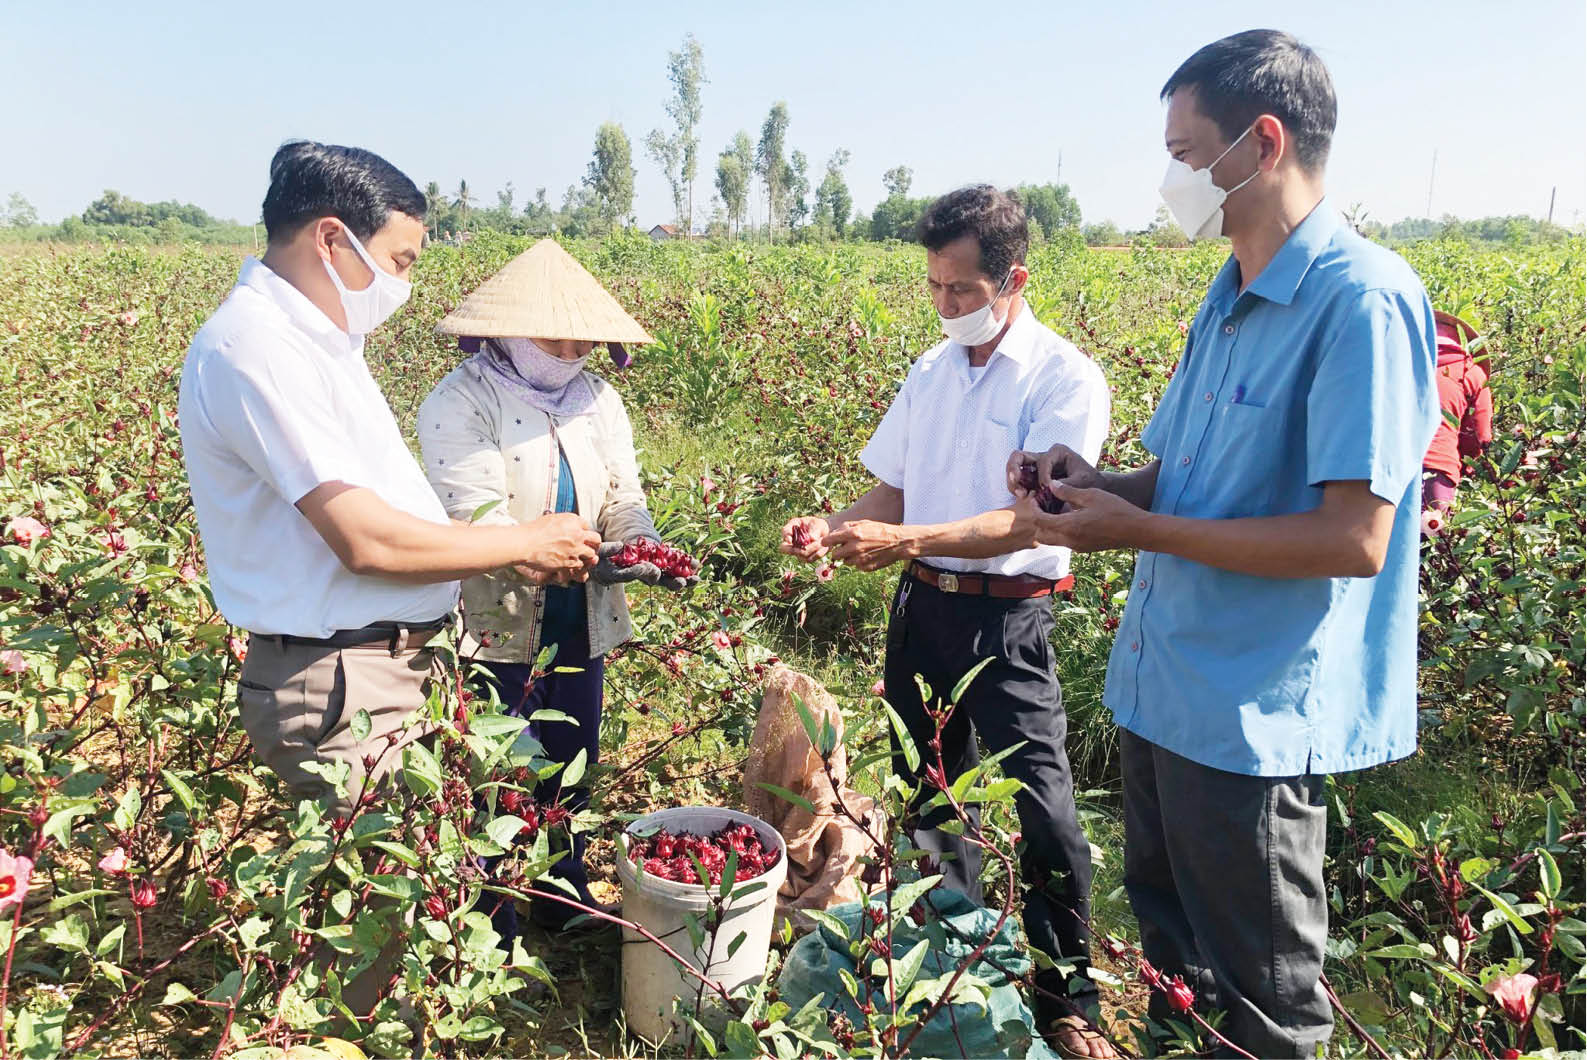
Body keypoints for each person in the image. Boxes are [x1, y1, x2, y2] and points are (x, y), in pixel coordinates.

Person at [1015, 32, 1438, 1056]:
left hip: (1252, 718)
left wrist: (1139, 527)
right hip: (1167, 693)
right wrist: (1092, 486)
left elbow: (1354, 536)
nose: (1175, 177)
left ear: (1263, 141)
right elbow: (1188, 477)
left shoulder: (1361, 300)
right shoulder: (1229, 293)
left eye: (1185, 148)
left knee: (1264, 1008)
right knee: (1178, 970)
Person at [178, 144, 599, 1007]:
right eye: (399, 260)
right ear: (334, 239)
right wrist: (523, 541)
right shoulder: (257, 348)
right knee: (386, 926)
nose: (402, 283)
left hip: (390, 665)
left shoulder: (320, 343)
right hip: (341, 678)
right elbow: (366, 540)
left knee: (420, 894)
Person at [781, 186, 1115, 1058]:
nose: (945, 305)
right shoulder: (930, 371)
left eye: (961, 289)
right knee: (926, 789)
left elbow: (1037, 518)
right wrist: (834, 523)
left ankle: (1065, 994)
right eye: (932, 286)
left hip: (1008, 621)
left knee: (1042, 810)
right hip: (921, 606)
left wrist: (904, 536)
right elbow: (893, 486)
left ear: (1014, 279)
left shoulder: (1062, 379)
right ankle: (948, 945)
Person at [420, 239, 695, 940]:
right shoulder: (461, 400)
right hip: (494, 622)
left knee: (572, 758)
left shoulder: (597, 399)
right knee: (500, 766)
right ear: (507, 330)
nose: (570, 349)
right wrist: (548, 552)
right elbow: (473, 514)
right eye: (554, 335)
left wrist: (638, 545)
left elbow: (623, 494)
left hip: (581, 616)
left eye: (582, 339)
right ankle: (494, 919)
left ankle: (561, 891)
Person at [1421, 310, 1493, 530]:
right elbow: (1481, 436)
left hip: (1383, 466)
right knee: (1432, 550)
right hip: (1439, 469)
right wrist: (1466, 466)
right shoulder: (1470, 371)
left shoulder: (1398, 362)